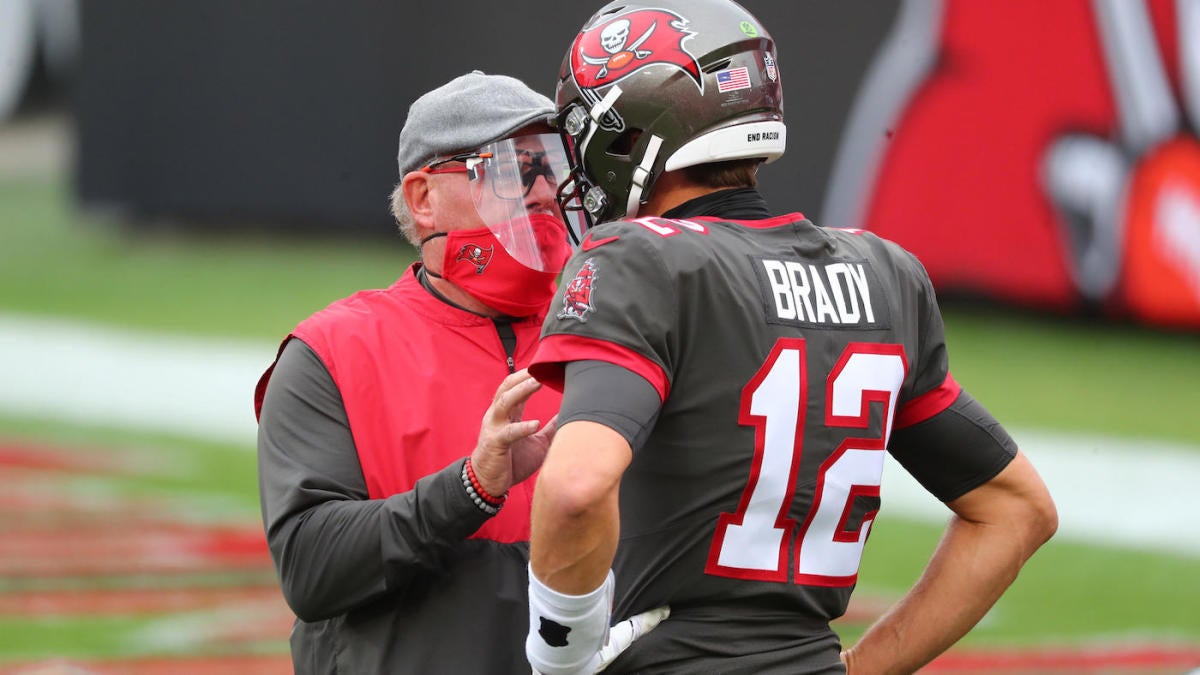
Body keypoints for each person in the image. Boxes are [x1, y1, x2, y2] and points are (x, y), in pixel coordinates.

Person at [524, 2, 1059, 674]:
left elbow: (576, 487)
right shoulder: (883, 272)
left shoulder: (638, 259)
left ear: (634, 128)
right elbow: (1016, 508)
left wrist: (560, 654)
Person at [254, 71, 660, 674]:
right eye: (513, 169)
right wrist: (470, 487)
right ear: (423, 199)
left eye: (551, 165)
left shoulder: (614, 336)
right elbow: (311, 572)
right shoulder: (331, 350)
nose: (545, 192)